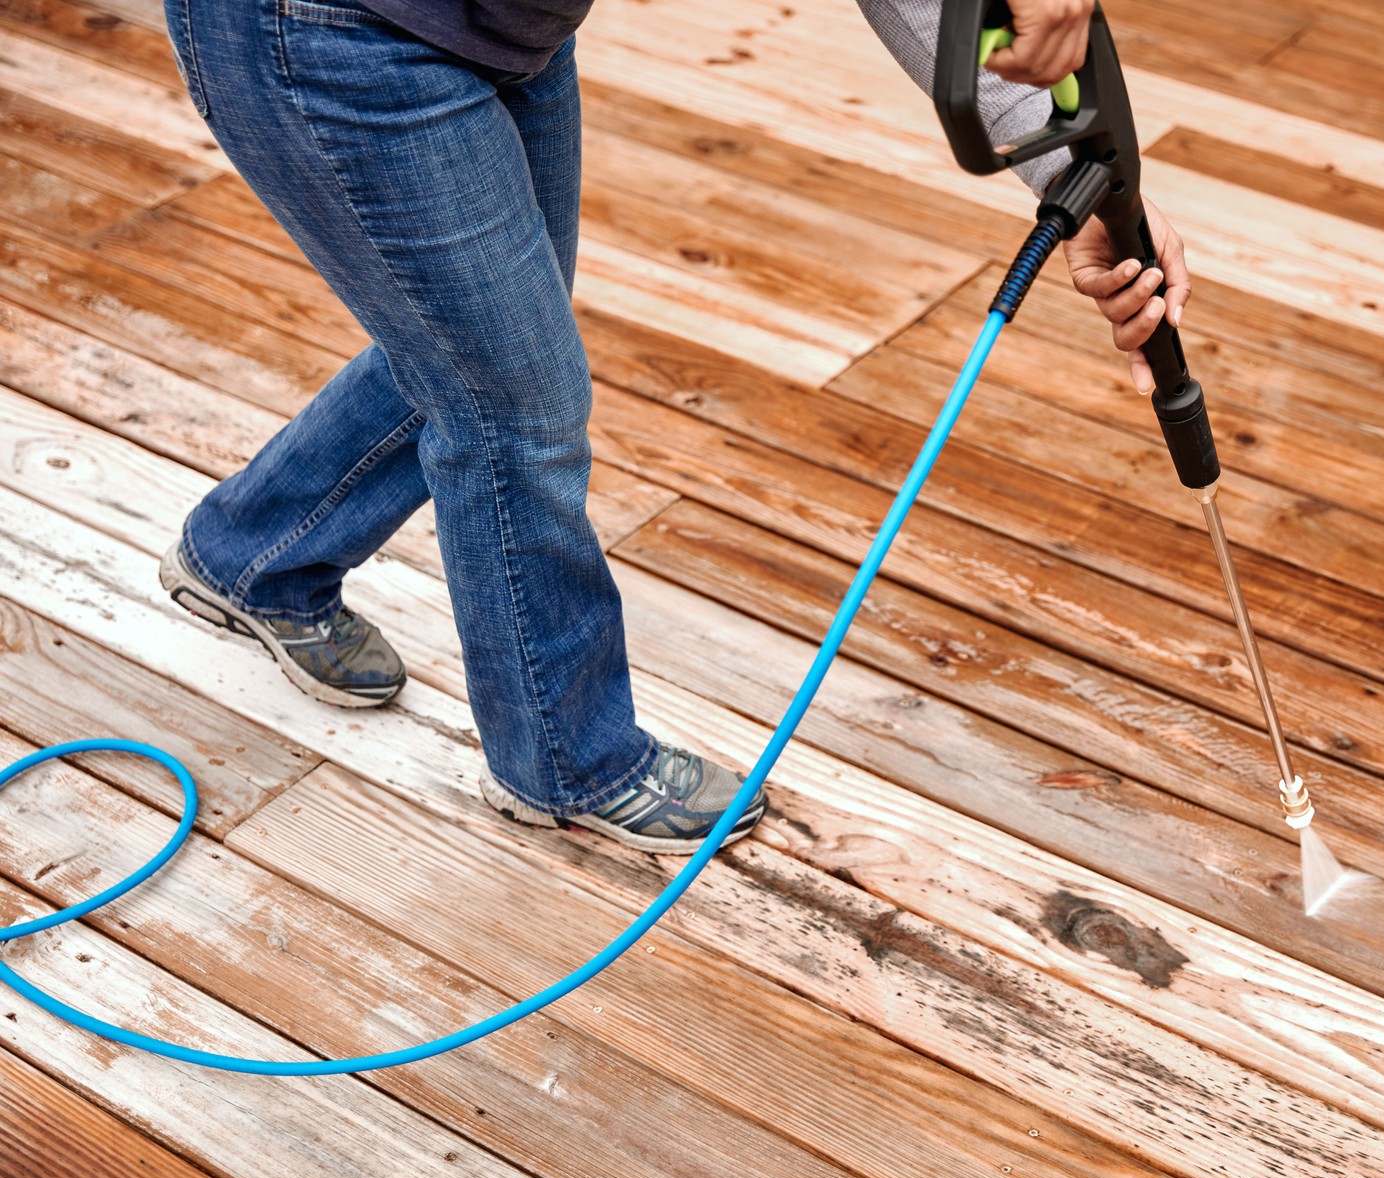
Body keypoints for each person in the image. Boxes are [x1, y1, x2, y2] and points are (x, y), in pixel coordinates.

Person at [157, 0, 1192, 855]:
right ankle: (564, 756)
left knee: (473, 342)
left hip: (498, 31)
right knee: (513, 403)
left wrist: (1078, 182)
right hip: (325, 30)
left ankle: (253, 555)